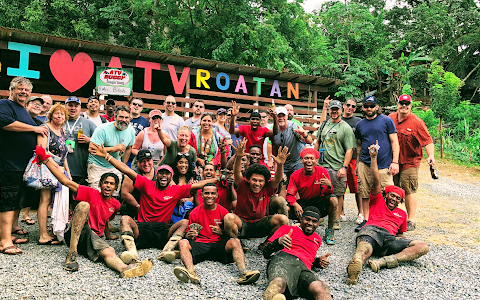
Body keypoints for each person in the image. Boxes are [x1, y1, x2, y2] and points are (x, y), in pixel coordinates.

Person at [87, 142, 222, 264]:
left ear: (171, 177)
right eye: (161, 173)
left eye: (167, 174)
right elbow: (126, 170)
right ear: (156, 175)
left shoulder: (176, 190)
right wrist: (107, 156)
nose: (164, 175)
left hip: (163, 230)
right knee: (124, 219)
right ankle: (132, 252)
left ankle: (166, 251)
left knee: (184, 222)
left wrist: (219, 178)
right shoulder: (146, 184)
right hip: (142, 228)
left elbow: (198, 185)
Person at [35, 146, 153, 278]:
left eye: (111, 184)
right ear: (100, 185)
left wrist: (108, 235)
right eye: (105, 183)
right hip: (75, 233)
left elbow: (106, 218)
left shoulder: (116, 204)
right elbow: (65, 181)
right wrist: (46, 160)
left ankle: (125, 269)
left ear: (116, 187)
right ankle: (71, 254)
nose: (108, 185)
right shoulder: (90, 192)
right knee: (84, 205)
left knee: (109, 250)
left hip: (91, 238)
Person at [347, 141, 429, 285]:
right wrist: (373, 158)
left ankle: (386, 261)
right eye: (392, 195)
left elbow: (401, 234)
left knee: (422, 246)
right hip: (371, 231)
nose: (394, 199)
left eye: (398, 198)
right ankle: (357, 263)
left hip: (389, 239)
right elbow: (375, 182)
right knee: (364, 248)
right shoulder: (377, 200)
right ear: (386, 195)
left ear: (400, 201)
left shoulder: (402, 215)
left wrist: (402, 243)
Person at [173, 183, 260, 285]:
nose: (210, 196)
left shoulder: (223, 211)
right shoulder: (194, 212)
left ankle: (244, 272)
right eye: (206, 193)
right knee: (183, 242)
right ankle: (191, 273)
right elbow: (188, 235)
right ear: (202, 195)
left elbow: (230, 234)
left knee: (235, 241)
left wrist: (222, 232)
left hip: (218, 244)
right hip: (200, 244)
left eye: (213, 193)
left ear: (217, 195)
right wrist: (189, 235)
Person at [0, 77, 48, 255]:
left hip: (21, 164)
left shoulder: (23, 110)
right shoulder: (5, 104)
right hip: (8, 162)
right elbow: (4, 123)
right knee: (7, 200)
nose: (24, 92)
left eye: (27, 90)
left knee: (15, 201)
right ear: (11, 90)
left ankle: (8, 233)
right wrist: (34, 129)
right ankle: (4, 241)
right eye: (20, 89)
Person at [223, 139, 289, 245]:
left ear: (265, 182)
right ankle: (237, 244)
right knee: (228, 218)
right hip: (242, 224)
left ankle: (267, 245)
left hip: (261, 223)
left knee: (283, 219)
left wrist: (280, 164)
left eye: (260, 181)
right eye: (254, 180)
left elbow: (277, 178)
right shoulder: (243, 184)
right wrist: (238, 157)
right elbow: (237, 172)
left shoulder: (267, 187)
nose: (257, 183)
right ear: (248, 180)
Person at [262, 206, 332, 300]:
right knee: (279, 283)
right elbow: (266, 252)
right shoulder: (286, 229)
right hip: (284, 259)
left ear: (318, 223)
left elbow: (307, 257)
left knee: (320, 287)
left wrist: (318, 261)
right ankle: (272, 297)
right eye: (307, 219)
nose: (310, 223)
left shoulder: (317, 239)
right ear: (301, 219)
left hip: (304, 268)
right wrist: (278, 242)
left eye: (314, 221)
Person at [389, 94, 435, 231]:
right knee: (393, 189)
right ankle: (392, 216)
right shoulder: (390, 119)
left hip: (410, 161)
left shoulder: (417, 122)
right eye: (401, 103)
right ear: (397, 104)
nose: (404, 106)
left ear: (410, 106)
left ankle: (411, 220)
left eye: (407, 104)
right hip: (393, 161)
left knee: (408, 189)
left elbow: (427, 141)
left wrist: (431, 155)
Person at [355, 96, 399, 232]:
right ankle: (366, 220)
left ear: (377, 107)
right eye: (366, 106)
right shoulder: (360, 124)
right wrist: (357, 164)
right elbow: (358, 145)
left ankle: (388, 219)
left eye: (372, 106)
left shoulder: (386, 121)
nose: (369, 108)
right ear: (363, 108)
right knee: (364, 191)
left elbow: (394, 142)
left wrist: (395, 162)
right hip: (364, 163)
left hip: (383, 164)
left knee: (388, 192)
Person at [316, 100, 355, 230]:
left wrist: (344, 167)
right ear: (329, 110)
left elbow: (350, 149)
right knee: (320, 191)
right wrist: (315, 158)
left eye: (336, 109)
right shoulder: (324, 125)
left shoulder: (345, 128)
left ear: (341, 110)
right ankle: (321, 215)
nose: (334, 111)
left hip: (337, 165)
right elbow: (318, 141)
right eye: (332, 109)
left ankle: (336, 218)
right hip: (322, 164)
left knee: (338, 193)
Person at [286, 148, 337, 245]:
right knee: (286, 208)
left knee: (333, 199)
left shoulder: (322, 171)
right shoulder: (296, 175)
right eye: (306, 158)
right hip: (304, 203)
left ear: (316, 161)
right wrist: (295, 204)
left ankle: (330, 230)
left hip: (318, 202)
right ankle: (287, 231)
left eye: (312, 158)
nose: (309, 161)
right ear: (301, 160)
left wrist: (329, 186)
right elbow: (289, 195)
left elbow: (328, 193)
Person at [37, 103, 71, 245]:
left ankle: (54, 230)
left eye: (62, 114)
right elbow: (41, 150)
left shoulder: (62, 131)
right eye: (57, 113)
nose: (59, 116)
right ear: (51, 115)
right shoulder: (45, 129)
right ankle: (43, 234)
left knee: (56, 202)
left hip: (60, 171)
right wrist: (57, 167)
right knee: (44, 201)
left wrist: (68, 172)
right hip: (48, 169)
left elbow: (64, 154)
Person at [87, 105, 135, 196]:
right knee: (95, 194)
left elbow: (129, 148)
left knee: (113, 194)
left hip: (115, 166)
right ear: (115, 117)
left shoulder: (131, 131)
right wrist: (114, 149)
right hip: (97, 165)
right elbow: (92, 148)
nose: (124, 120)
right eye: (121, 117)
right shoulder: (102, 129)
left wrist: (123, 166)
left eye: (126, 117)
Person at [20, 96, 45, 226]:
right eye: (34, 103)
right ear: (27, 105)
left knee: (29, 189)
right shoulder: (20, 119)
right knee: (17, 191)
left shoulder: (41, 124)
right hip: (18, 160)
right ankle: (14, 223)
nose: (37, 106)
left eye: (39, 105)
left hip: (33, 162)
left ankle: (25, 215)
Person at [272, 106, 311, 184]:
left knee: (298, 184)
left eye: (283, 116)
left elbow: (309, 141)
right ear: (276, 117)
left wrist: (304, 134)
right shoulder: (274, 130)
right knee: (281, 183)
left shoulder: (293, 126)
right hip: (284, 163)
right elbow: (274, 148)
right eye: (279, 116)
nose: (281, 118)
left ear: (286, 116)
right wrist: (275, 162)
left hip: (297, 161)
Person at [64, 96, 96, 188]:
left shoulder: (88, 123)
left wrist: (89, 140)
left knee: (79, 199)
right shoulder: (59, 120)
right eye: (70, 105)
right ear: (65, 107)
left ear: (80, 108)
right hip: (61, 169)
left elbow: (101, 142)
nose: (73, 108)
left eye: (76, 106)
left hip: (81, 169)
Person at [342, 98, 363, 224]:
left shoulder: (359, 122)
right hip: (340, 157)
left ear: (355, 109)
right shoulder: (338, 120)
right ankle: (341, 212)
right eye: (348, 105)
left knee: (357, 187)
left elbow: (362, 139)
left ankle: (360, 213)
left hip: (354, 157)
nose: (350, 107)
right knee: (340, 186)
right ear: (344, 106)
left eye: (353, 106)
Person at [121, 150, 157, 219]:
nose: (146, 164)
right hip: (135, 205)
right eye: (142, 161)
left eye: (148, 160)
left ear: (152, 160)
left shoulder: (159, 171)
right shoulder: (132, 174)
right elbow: (125, 193)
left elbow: (171, 186)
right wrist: (138, 207)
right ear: (137, 162)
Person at [169, 153, 196, 223]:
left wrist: (188, 200)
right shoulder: (172, 178)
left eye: (186, 163)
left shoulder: (193, 177)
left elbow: (198, 195)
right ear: (176, 165)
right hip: (174, 207)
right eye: (181, 162)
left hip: (189, 207)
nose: (184, 165)